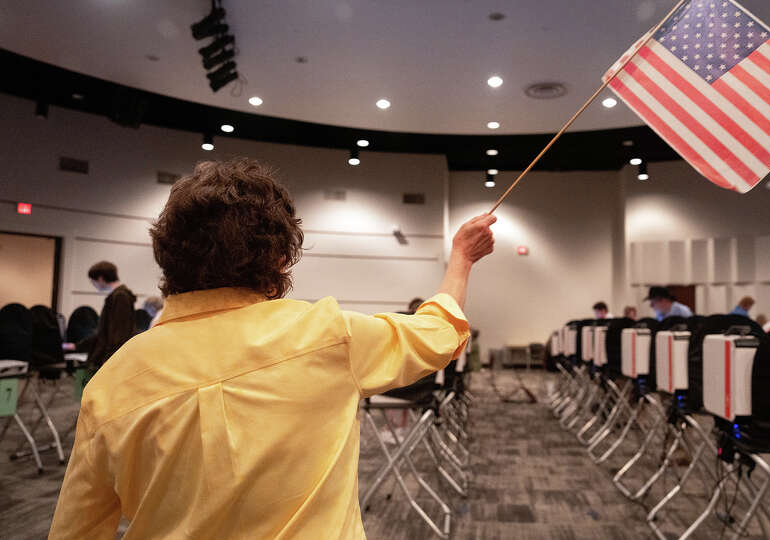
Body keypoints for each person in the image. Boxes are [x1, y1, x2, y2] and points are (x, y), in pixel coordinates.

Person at [48, 159, 496, 538]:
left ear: (167, 255)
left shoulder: (110, 382)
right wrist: (461, 258)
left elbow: (76, 531)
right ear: (280, 257)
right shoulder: (326, 335)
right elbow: (439, 334)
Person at [62, 261, 136, 368]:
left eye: (92, 281)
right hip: (114, 356)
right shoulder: (117, 296)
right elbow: (104, 332)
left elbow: (119, 333)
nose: (93, 284)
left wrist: (110, 359)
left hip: (115, 358)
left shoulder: (120, 297)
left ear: (100, 279)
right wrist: (77, 346)